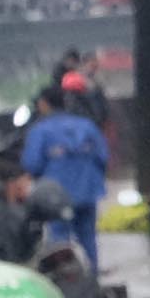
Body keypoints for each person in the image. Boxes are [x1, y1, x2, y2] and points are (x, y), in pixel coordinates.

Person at [16, 88, 110, 265]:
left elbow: (31, 164)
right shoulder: (87, 125)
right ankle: (92, 276)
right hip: (88, 191)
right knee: (88, 237)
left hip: (55, 197)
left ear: (44, 104)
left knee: (59, 241)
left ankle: (65, 277)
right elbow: (103, 157)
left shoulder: (40, 131)